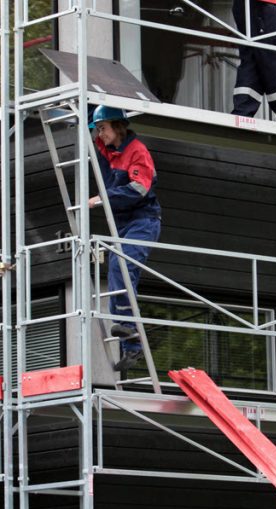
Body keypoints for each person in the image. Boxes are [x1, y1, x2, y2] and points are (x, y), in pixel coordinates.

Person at [87, 105, 162, 374]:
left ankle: (129, 332)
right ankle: (130, 344)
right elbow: (90, 123)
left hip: (143, 220)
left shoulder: (137, 151)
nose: (99, 133)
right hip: (122, 223)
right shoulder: (109, 147)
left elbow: (138, 190)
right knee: (117, 275)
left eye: (103, 128)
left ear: (117, 126)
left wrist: (100, 199)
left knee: (122, 266)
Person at [230, 0, 276, 125]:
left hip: (245, 5)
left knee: (252, 57)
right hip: (261, 6)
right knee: (272, 54)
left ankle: (243, 110)